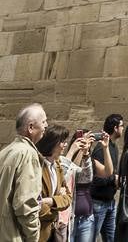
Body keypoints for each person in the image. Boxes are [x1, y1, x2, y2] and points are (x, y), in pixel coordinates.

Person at [0, 103, 47, 242]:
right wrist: (33, 237)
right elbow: (25, 205)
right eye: (44, 121)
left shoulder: (6, 151)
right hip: (13, 235)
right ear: (31, 127)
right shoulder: (28, 154)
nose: (46, 125)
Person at [37, 126, 73, 242]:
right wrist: (56, 208)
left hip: (53, 231)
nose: (65, 145)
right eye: (62, 142)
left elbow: (68, 197)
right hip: (38, 232)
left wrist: (50, 201)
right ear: (52, 143)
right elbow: (36, 206)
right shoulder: (38, 166)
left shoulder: (57, 165)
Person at [92, 114, 123, 242]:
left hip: (110, 202)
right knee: (92, 237)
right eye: (121, 126)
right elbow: (96, 179)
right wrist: (114, 179)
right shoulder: (101, 148)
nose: (123, 128)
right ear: (115, 128)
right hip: (98, 203)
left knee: (111, 238)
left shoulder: (114, 146)